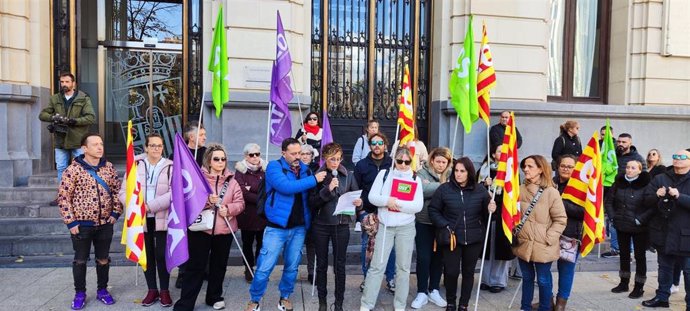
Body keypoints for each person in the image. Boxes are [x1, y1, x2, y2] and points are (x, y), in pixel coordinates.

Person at [245, 138, 327, 311]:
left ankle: (285, 296)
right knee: (264, 267)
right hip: (276, 228)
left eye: (300, 153)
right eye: (294, 153)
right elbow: (286, 187)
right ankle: (255, 299)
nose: (298, 156)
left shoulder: (305, 170)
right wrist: (314, 179)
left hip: (298, 228)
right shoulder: (274, 167)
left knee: (292, 266)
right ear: (283, 153)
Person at [174, 144, 245, 311]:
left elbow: (240, 204)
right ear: (209, 161)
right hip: (201, 230)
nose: (221, 162)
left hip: (224, 230)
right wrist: (206, 202)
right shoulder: (197, 179)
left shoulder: (233, 181)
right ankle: (186, 302)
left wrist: (228, 210)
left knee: (219, 266)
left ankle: (214, 296)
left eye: (223, 159)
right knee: (195, 267)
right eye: (216, 159)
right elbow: (189, 202)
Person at [57, 133, 122, 310]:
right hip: (81, 225)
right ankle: (80, 293)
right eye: (95, 144)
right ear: (84, 148)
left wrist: (116, 213)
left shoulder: (109, 167)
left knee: (103, 259)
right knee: (80, 260)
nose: (100, 147)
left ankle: (102, 290)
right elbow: (63, 198)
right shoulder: (73, 169)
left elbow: (118, 192)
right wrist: (71, 222)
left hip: (104, 224)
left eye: (101, 143)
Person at [360, 147, 424, 311]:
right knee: (376, 266)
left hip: (406, 227)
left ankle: (400, 305)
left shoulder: (416, 178)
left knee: (403, 268)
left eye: (406, 161)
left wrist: (397, 204)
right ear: (394, 159)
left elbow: (418, 205)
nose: (403, 164)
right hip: (385, 225)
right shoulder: (385, 174)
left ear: (411, 162)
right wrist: (387, 201)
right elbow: (372, 197)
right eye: (399, 160)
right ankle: (366, 304)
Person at [429, 157, 497, 311]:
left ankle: (464, 305)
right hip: (452, 237)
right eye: (456, 171)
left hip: (474, 238)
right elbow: (433, 210)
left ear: (469, 172)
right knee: (451, 272)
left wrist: (491, 209)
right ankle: (451, 303)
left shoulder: (480, 190)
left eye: (462, 171)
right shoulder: (444, 189)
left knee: (468, 273)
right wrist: (444, 225)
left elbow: (489, 217)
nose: (458, 174)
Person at [117, 133, 173, 307]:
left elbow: (174, 194)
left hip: (162, 217)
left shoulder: (171, 166)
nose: (156, 148)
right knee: (146, 255)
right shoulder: (135, 165)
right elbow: (123, 192)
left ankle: (165, 290)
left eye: (159, 145)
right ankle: (151, 290)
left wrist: (150, 206)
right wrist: (135, 206)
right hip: (140, 219)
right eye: (153, 145)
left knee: (162, 255)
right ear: (146, 147)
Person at [308, 143, 360, 311]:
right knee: (322, 264)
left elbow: (356, 197)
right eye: (332, 159)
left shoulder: (349, 176)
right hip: (321, 225)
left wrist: (359, 203)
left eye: (338, 159)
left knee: (340, 265)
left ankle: (339, 303)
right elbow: (312, 203)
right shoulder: (317, 176)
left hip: (341, 225)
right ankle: (322, 302)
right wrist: (328, 189)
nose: (335, 163)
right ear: (325, 158)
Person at [513, 155, 567, 311]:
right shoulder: (519, 189)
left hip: (543, 244)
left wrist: (548, 238)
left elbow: (561, 219)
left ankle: (545, 308)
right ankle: (525, 307)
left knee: (543, 279)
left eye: (530, 166)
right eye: (524, 166)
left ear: (541, 169)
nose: (525, 169)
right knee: (527, 278)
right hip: (524, 242)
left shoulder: (551, 192)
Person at [642, 149, 690, 309]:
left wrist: (680, 196)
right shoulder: (661, 178)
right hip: (663, 232)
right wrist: (656, 194)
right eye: (675, 156)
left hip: (686, 235)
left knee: (688, 272)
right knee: (664, 269)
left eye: (683, 157)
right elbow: (646, 200)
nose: (678, 159)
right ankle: (662, 298)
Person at [39, 72, 96, 206]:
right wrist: (53, 118)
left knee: (83, 168)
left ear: (73, 83)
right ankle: (62, 196)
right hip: (60, 140)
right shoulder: (55, 98)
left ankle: (84, 196)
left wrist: (73, 121)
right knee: (62, 168)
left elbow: (91, 117)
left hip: (78, 140)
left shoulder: (83, 98)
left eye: (67, 82)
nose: (64, 84)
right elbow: (43, 114)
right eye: (62, 82)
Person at [353, 132, 397, 293]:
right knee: (367, 247)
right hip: (368, 212)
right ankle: (367, 279)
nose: (377, 146)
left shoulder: (392, 164)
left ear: (385, 145)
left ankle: (390, 278)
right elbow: (355, 189)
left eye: (380, 143)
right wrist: (360, 212)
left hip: (388, 212)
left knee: (390, 247)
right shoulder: (362, 165)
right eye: (373, 143)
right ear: (370, 146)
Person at [605, 160, 653, 299]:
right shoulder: (618, 182)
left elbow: (652, 206)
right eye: (628, 167)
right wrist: (613, 217)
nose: (629, 170)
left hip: (639, 227)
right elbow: (609, 201)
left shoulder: (646, 185)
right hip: (621, 224)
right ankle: (624, 283)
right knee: (624, 255)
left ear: (639, 170)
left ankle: (639, 287)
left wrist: (640, 219)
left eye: (633, 168)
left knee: (639, 257)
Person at [411, 147, 452, 309]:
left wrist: (433, 186)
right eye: (438, 161)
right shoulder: (422, 173)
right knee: (423, 258)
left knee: (438, 258)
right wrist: (443, 186)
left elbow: (453, 191)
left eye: (444, 162)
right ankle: (421, 291)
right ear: (432, 160)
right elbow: (420, 190)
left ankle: (433, 289)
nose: (441, 165)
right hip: (423, 222)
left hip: (442, 223)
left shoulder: (451, 174)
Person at [173, 120, 207, 288]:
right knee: (185, 238)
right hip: (185, 203)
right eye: (201, 135)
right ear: (191, 137)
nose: (204, 138)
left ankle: (203, 269)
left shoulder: (207, 153)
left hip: (203, 202)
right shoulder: (180, 153)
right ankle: (183, 272)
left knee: (202, 237)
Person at [603, 133, 648, 258]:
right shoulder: (612, 155)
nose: (621, 144)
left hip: (632, 197)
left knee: (629, 225)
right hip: (612, 193)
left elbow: (644, 179)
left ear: (630, 143)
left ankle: (629, 250)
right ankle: (616, 248)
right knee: (612, 222)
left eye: (624, 142)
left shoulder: (638, 158)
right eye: (619, 142)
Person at [477, 145, 515, 295]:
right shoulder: (484, 169)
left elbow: (513, 191)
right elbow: (475, 188)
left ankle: (498, 281)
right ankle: (485, 279)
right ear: (493, 154)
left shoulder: (510, 171)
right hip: (486, 213)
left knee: (500, 249)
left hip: (503, 213)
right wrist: (484, 184)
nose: (502, 153)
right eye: (499, 151)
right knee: (487, 248)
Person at [552, 154, 584, 310]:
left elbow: (584, 212)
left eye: (570, 166)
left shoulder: (581, 187)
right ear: (558, 167)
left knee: (565, 271)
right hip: (549, 233)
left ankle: (560, 304)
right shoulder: (551, 183)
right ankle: (547, 300)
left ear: (576, 169)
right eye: (563, 165)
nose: (565, 168)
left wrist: (559, 201)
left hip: (570, 235)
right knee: (543, 269)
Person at [234, 143, 267, 283]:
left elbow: (268, 189)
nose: (255, 157)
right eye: (251, 155)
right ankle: (248, 268)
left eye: (257, 154)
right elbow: (242, 191)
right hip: (247, 214)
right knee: (247, 243)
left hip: (262, 214)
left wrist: (252, 191)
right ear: (246, 156)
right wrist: (259, 197)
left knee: (262, 243)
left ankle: (260, 268)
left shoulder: (266, 169)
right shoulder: (240, 171)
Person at [299, 144, 318, 282]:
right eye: (302, 153)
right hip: (298, 210)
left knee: (312, 244)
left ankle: (312, 272)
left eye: (308, 154)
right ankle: (292, 270)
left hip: (313, 211)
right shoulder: (294, 169)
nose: (305, 156)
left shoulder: (318, 169)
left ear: (312, 156)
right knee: (295, 244)